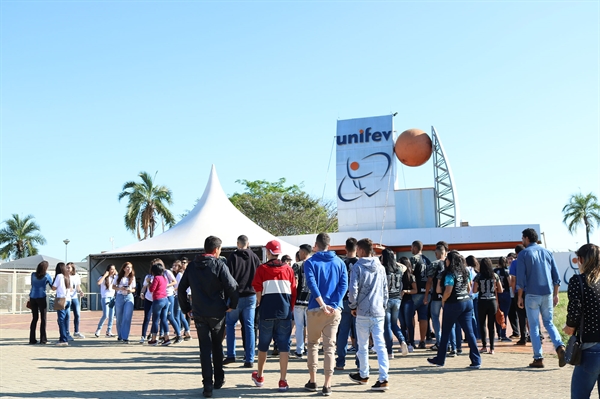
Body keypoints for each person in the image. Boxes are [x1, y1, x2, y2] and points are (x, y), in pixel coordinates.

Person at [178, 236, 238, 398]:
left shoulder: (192, 267)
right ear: (217, 249)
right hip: (217, 312)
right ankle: (218, 378)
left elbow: (181, 289)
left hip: (199, 312)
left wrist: (186, 308)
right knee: (217, 346)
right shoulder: (219, 265)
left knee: (204, 349)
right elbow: (232, 285)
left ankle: (207, 385)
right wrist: (233, 304)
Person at [303, 232, 348, 396]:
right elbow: (343, 286)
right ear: (329, 244)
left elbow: (312, 284)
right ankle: (328, 384)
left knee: (313, 345)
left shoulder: (309, 262)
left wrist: (322, 304)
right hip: (334, 310)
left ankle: (313, 380)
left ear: (316, 244)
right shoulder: (340, 263)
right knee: (330, 347)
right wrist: (333, 305)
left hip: (315, 308)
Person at [250, 240, 296, 392]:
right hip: (284, 312)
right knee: (284, 347)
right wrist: (291, 309)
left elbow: (257, 288)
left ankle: (260, 376)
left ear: (268, 252)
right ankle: (283, 380)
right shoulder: (288, 269)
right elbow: (293, 291)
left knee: (263, 345)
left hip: (267, 311)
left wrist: (260, 302)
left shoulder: (262, 269)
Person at [516, 228, 565, 368]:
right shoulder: (548, 252)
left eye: (522, 238)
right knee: (549, 323)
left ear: (526, 238)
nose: (522, 241)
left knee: (534, 326)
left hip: (531, 294)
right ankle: (559, 346)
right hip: (548, 293)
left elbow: (520, 279)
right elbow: (556, 277)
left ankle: (538, 358)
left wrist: (519, 296)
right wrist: (556, 294)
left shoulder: (523, 254)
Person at [427, 250, 481, 369]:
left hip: (454, 303)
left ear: (450, 261)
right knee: (469, 332)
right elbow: (468, 287)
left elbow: (445, 291)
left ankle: (440, 359)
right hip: (467, 302)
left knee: (446, 332)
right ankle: (476, 360)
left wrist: (444, 300)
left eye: (447, 259)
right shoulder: (465, 271)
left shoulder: (450, 274)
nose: (445, 261)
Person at [348, 238, 390, 391]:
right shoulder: (380, 267)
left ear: (360, 250)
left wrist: (352, 305)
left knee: (363, 345)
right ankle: (383, 377)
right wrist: (383, 305)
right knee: (380, 345)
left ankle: (364, 374)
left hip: (363, 311)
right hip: (378, 310)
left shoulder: (357, 267)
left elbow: (353, 290)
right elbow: (385, 289)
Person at [564, 243, 600, 398]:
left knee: (580, 395)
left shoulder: (578, 281)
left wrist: (570, 326)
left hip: (590, 347)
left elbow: (575, 310)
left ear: (580, 259)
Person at [224, 235, 260, 367]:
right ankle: (250, 358)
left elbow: (228, 278)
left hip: (236, 295)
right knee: (249, 326)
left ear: (238, 244)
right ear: (248, 243)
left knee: (230, 324)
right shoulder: (255, 257)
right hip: (251, 295)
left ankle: (231, 354)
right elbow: (258, 277)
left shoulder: (232, 257)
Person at [335, 238, 358, 370]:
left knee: (342, 332)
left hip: (342, 300)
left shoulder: (340, 263)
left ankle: (340, 361)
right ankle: (360, 362)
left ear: (346, 248)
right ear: (356, 248)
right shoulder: (360, 263)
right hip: (356, 302)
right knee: (358, 333)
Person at [381, 247, 408, 358]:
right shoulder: (399, 268)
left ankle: (389, 351)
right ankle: (402, 340)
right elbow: (405, 267)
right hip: (397, 299)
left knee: (387, 325)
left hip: (386, 299)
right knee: (394, 324)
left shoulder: (383, 269)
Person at [473, 258, 503, 354]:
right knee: (491, 325)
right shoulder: (494, 276)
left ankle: (484, 346)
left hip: (482, 301)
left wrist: (480, 289)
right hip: (492, 301)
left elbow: (474, 290)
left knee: (482, 324)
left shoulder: (478, 276)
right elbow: (501, 290)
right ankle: (492, 348)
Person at [409, 240, 432, 349]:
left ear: (415, 248)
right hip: (426, 292)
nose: (411, 249)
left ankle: (411, 340)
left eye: (412, 247)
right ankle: (422, 340)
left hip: (415, 292)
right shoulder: (428, 260)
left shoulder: (413, 259)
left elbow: (410, 273)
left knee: (410, 316)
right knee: (423, 317)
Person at [293, 244, 313, 360]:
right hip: (311, 300)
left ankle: (300, 350)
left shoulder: (297, 265)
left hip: (299, 299)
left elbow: (294, 283)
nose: (299, 254)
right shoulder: (314, 265)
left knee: (299, 326)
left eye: (300, 252)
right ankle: (310, 349)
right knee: (310, 327)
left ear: (304, 252)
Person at [147, 260, 173, 346]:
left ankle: (154, 339)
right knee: (164, 319)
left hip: (158, 299)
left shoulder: (156, 278)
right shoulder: (164, 278)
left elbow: (152, 289)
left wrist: (148, 283)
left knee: (155, 320)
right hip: (165, 299)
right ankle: (167, 338)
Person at [426, 244, 446, 351]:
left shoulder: (434, 264)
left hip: (435, 296)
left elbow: (429, 281)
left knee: (435, 319)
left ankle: (439, 342)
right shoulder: (449, 264)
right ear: (445, 253)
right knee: (448, 320)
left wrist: (426, 296)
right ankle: (451, 344)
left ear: (436, 253)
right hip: (446, 295)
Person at [29, 261, 53, 344]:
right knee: (43, 318)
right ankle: (43, 339)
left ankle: (32, 339)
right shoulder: (46, 276)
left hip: (32, 297)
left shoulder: (33, 275)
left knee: (34, 318)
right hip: (41, 297)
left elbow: (32, 284)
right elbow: (52, 286)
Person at [509, 245, 528, 344]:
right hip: (530, 291)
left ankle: (523, 337)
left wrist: (514, 291)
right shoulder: (529, 262)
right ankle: (537, 335)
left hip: (519, 291)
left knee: (521, 316)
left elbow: (513, 280)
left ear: (516, 253)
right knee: (531, 315)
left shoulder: (515, 263)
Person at [114, 261, 136, 344]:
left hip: (129, 296)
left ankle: (125, 336)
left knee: (127, 316)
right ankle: (120, 335)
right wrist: (120, 288)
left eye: (130, 267)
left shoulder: (132, 277)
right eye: (127, 267)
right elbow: (113, 286)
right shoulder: (118, 277)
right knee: (119, 317)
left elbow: (134, 289)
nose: (129, 269)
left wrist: (130, 290)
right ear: (123, 268)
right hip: (120, 296)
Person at [399, 256, 417, 352]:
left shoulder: (411, 276)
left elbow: (415, 290)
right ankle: (404, 342)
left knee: (408, 323)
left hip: (408, 301)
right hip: (399, 301)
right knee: (402, 323)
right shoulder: (398, 275)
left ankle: (411, 342)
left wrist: (405, 291)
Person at [52, 262, 72, 346]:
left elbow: (54, 288)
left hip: (61, 299)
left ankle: (63, 340)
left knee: (61, 320)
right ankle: (64, 336)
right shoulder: (67, 276)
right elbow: (70, 288)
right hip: (68, 299)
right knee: (66, 319)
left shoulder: (59, 276)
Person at [95, 264, 117, 338]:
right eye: (111, 269)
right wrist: (105, 275)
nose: (112, 271)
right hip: (105, 297)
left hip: (112, 297)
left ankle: (109, 331)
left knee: (111, 315)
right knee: (105, 315)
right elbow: (98, 283)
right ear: (108, 270)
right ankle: (98, 329)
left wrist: (116, 273)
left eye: (114, 269)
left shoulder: (114, 278)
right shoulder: (103, 277)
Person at [494, 256, 512, 341]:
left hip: (497, 294)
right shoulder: (506, 271)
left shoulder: (494, 271)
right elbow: (510, 283)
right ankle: (503, 334)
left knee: (497, 313)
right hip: (505, 293)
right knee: (504, 314)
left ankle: (498, 333)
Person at [173, 260, 192, 341]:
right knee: (180, 316)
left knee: (177, 316)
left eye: (175, 266)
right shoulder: (177, 275)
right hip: (177, 295)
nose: (173, 267)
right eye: (173, 265)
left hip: (178, 296)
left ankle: (179, 334)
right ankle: (186, 332)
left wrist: (173, 289)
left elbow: (181, 286)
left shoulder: (180, 275)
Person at [68, 262, 85, 339]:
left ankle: (76, 332)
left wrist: (80, 291)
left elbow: (78, 286)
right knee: (67, 316)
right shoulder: (64, 276)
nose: (67, 269)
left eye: (69, 267)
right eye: (66, 267)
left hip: (74, 297)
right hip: (67, 297)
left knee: (77, 314)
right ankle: (67, 332)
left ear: (72, 268)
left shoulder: (76, 276)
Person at [139, 269, 154, 343]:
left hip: (157, 299)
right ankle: (143, 336)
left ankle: (151, 334)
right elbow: (144, 286)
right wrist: (142, 293)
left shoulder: (160, 277)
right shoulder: (148, 276)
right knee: (147, 317)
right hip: (148, 298)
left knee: (155, 318)